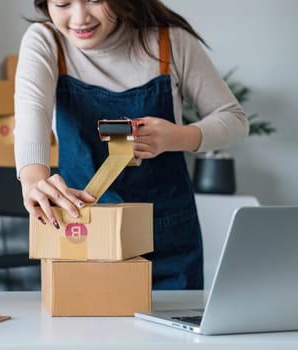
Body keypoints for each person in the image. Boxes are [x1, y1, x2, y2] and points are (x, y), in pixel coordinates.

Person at [14, 0, 248, 290]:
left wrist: (178, 137)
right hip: (84, 231)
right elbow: (30, 116)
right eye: (62, 3)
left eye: (95, 0)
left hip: (167, 234)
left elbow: (235, 120)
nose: (79, 18)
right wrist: (33, 180)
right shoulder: (47, 40)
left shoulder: (169, 42)